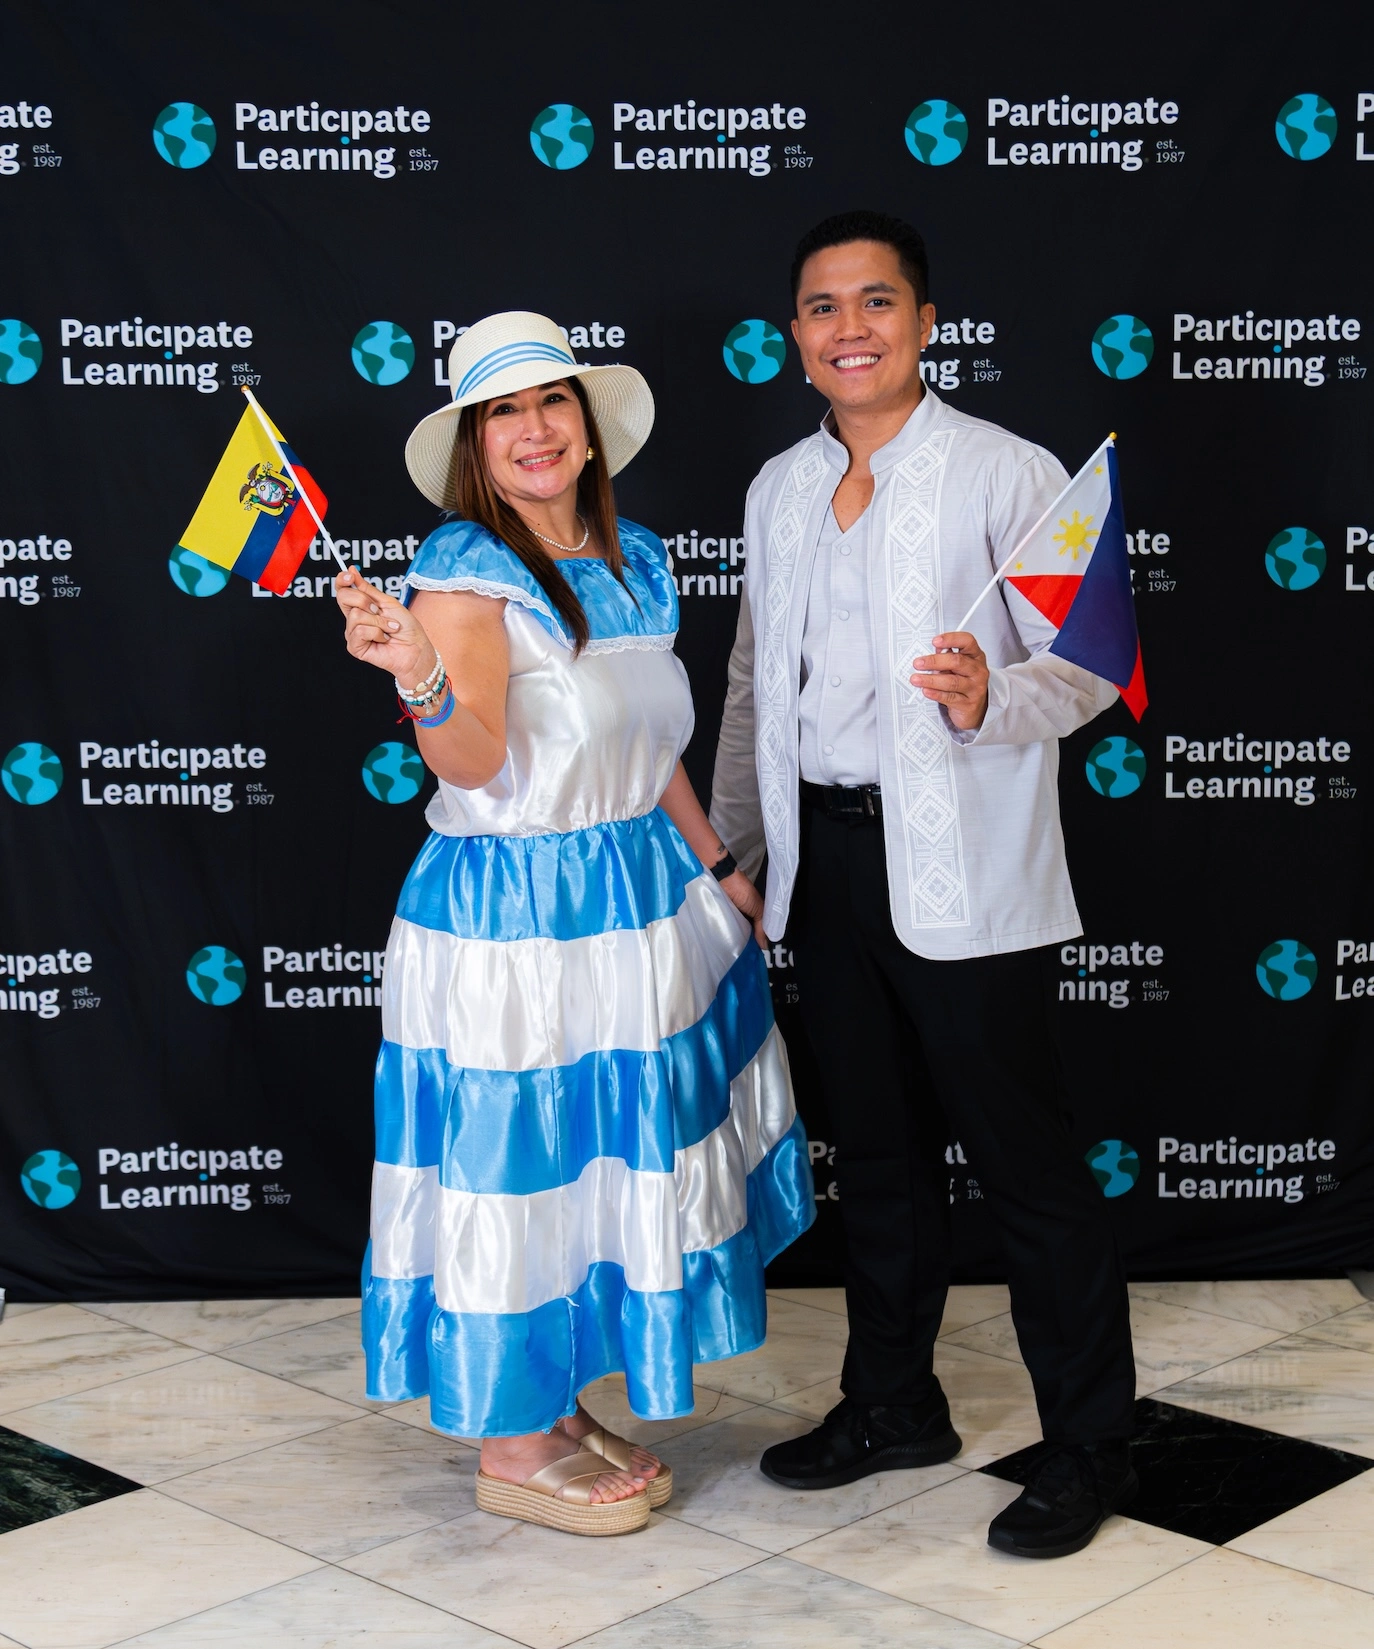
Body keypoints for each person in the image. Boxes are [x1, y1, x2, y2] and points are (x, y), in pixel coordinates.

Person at [338, 310, 813, 1537]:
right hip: (516, 911)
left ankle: (550, 1398)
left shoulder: (634, 555)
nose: (534, 430)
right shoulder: (460, 568)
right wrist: (420, 675)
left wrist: (718, 863)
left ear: (589, 427)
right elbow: (483, 761)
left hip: (634, 891)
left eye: (551, 402)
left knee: (603, 1154)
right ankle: (510, 1436)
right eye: (503, 413)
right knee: (522, 1162)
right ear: (475, 446)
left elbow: (646, 745)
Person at [709, 213, 1138, 1559]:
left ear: (925, 322)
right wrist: (736, 850)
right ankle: (891, 1403)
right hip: (822, 864)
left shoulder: (1008, 475)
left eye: (875, 302)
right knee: (878, 1162)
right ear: (794, 337)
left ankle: (1088, 1444)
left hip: (965, 863)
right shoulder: (776, 487)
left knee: (1026, 1169)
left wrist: (984, 692)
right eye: (821, 306)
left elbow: (1086, 667)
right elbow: (746, 684)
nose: (849, 326)